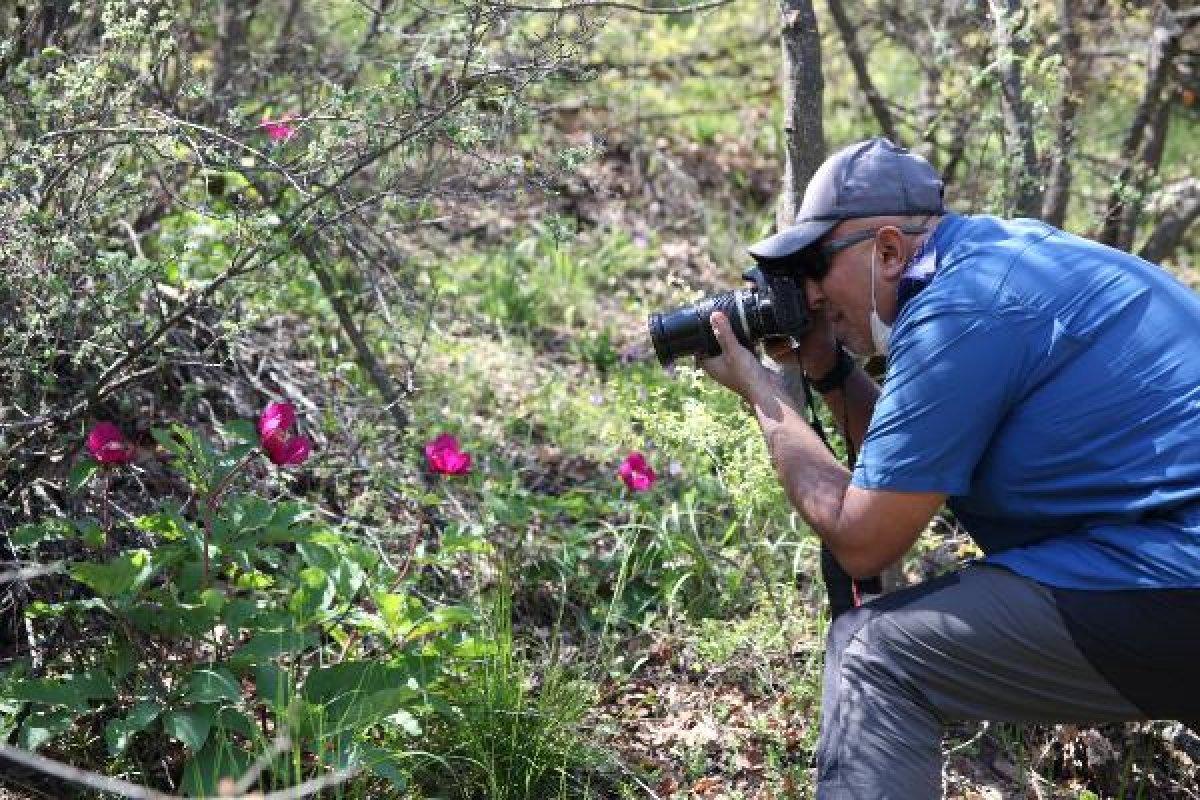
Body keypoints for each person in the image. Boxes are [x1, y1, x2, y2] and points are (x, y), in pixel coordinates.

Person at [697, 136, 1200, 799]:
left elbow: (864, 537)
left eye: (816, 265)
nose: (811, 296)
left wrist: (761, 390)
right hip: (1168, 564)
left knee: (875, 655)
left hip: (1172, 571)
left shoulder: (960, 312)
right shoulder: (995, 268)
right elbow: (905, 468)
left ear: (886, 249)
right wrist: (824, 369)